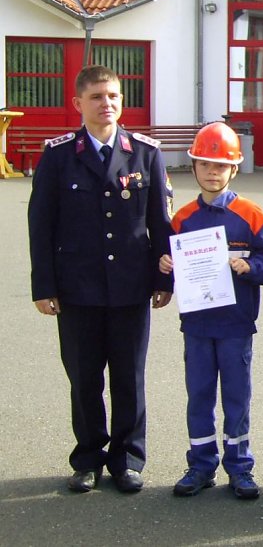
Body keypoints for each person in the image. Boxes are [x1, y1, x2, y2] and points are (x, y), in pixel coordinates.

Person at [28, 65, 173, 493]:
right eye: (96, 97)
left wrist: (163, 279)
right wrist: (44, 286)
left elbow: (159, 222)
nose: (106, 104)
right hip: (77, 287)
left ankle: (127, 459)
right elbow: (41, 224)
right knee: (85, 377)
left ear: (121, 101)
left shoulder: (145, 152)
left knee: (129, 376)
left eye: (112, 96)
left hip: (130, 284)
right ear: (78, 103)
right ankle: (88, 457)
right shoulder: (57, 155)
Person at [158, 122, 263, 500]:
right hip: (196, 324)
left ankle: (240, 467)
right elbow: (177, 266)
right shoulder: (182, 219)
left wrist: (251, 267)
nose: (213, 172)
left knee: (238, 397)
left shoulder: (252, 215)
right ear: (193, 167)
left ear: (234, 169)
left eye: (220, 166)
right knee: (200, 395)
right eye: (205, 164)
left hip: (236, 324)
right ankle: (201, 464)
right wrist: (166, 268)